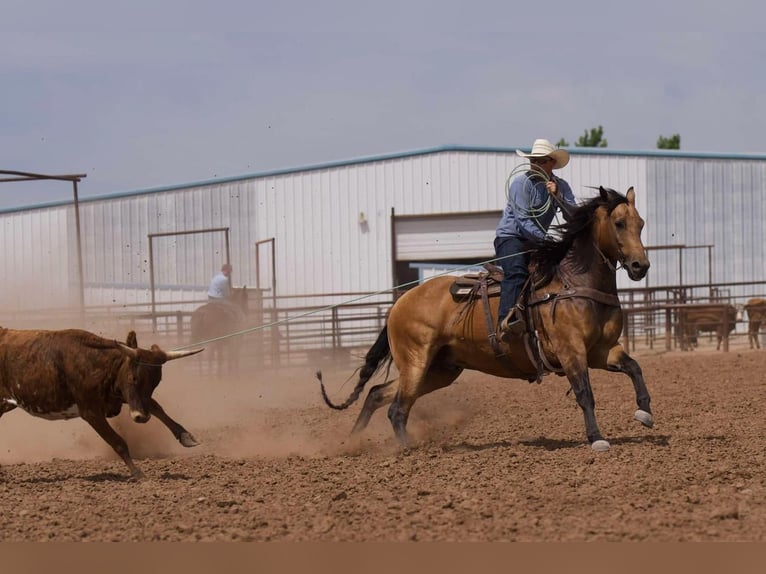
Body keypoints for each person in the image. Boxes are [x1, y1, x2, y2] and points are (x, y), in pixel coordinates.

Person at [494, 138, 577, 341]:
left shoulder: (562, 186)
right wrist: (546, 241)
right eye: (534, 160)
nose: (536, 164)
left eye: (541, 161)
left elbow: (574, 216)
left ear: (552, 163)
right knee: (516, 273)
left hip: (536, 240)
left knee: (562, 273)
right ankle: (505, 323)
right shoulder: (520, 184)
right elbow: (523, 221)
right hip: (511, 238)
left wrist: (558, 197)